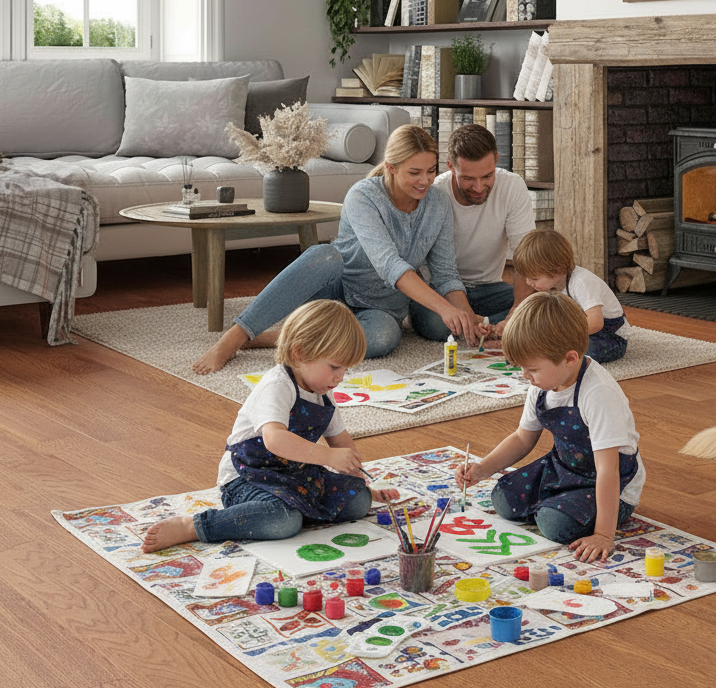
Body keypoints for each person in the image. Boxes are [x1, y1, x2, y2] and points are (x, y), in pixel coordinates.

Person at [191, 124, 484, 375]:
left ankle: (286, 335)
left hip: (380, 307)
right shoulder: (363, 196)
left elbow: (445, 272)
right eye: (415, 172)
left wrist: (468, 318)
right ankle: (234, 337)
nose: (425, 181)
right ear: (392, 168)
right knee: (325, 256)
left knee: (387, 337)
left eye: (431, 171)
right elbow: (389, 266)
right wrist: (445, 308)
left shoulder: (438, 204)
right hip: (336, 291)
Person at [144, 301, 398, 553]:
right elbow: (275, 440)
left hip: (296, 477)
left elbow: (342, 444)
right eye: (334, 367)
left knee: (358, 502)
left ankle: (296, 509)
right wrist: (329, 457)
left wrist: (362, 484)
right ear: (299, 353)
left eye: (345, 369)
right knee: (283, 520)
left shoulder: (323, 392)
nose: (340, 377)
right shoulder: (277, 385)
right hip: (248, 477)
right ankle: (195, 526)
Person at [454, 291, 644, 564]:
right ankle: (556, 504)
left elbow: (608, 470)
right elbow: (522, 438)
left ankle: (560, 509)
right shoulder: (542, 384)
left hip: (612, 483)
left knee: (555, 525)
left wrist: (603, 534)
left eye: (531, 369)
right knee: (503, 498)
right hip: (564, 469)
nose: (525, 376)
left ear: (569, 358)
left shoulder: (598, 393)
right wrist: (482, 468)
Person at [426, 123, 536, 342]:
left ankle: (488, 325)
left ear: (496, 159)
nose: (478, 187)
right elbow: (440, 271)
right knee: (436, 326)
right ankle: (485, 324)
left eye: (487, 176)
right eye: (468, 178)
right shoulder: (436, 193)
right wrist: (462, 312)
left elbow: (526, 257)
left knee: (547, 303)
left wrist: (515, 313)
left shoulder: (512, 186)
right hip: (442, 290)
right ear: (450, 167)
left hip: (490, 288)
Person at [510, 228, 630, 363]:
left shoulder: (581, 282)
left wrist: (563, 337)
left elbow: (596, 323)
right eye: (526, 277)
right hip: (578, 334)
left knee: (582, 352)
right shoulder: (552, 285)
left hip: (609, 336)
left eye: (535, 278)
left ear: (558, 270)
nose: (528, 283)